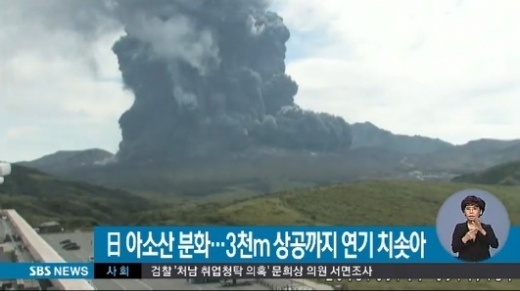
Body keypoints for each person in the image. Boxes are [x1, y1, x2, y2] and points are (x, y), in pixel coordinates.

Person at [451, 195, 499, 262]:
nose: (471, 212)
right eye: (468, 209)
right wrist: (466, 238)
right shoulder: (459, 228)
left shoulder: (487, 228)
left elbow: (495, 245)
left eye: (474, 209)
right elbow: (454, 249)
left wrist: (481, 230)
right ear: (464, 212)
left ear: (480, 212)